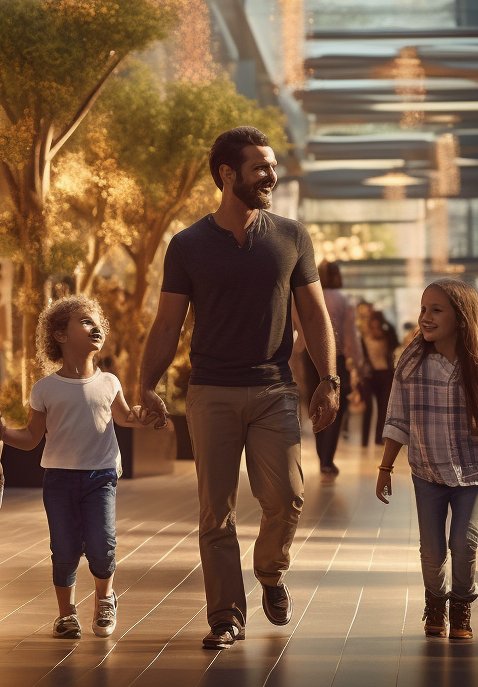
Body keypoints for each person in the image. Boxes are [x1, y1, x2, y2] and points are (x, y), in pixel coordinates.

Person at [137, 126, 339, 651]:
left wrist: (330, 379)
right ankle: (226, 615)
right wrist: (146, 384)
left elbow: (314, 315)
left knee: (288, 498)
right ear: (227, 174)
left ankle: (270, 572)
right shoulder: (187, 245)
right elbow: (166, 325)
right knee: (216, 512)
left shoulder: (292, 236)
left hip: (274, 388)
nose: (271, 175)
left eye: (272, 166)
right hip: (211, 392)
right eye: (260, 167)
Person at [0, 296, 166, 639]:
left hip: (100, 476)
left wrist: (144, 416)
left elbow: (123, 417)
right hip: (58, 479)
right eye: (86, 322)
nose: (96, 327)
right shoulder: (44, 388)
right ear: (59, 334)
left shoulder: (109, 383)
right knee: (64, 548)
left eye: (98, 323)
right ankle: (65, 614)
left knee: (102, 544)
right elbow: (31, 437)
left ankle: (105, 599)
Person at [375, 279, 478, 642]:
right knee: (431, 549)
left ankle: (461, 603)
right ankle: (435, 601)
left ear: (461, 319)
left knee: (464, 542)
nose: (425, 317)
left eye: (436, 310)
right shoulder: (411, 365)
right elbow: (397, 420)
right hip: (426, 471)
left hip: (471, 470)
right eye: (423, 309)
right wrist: (385, 467)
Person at [318, 261, 366, 473]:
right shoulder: (344, 300)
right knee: (334, 408)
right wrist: (358, 363)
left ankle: (322, 456)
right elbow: (350, 336)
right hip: (335, 358)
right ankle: (327, 460)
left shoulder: (311, 296)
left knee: (316, 406)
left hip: (310, 357)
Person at [359, 307, 398, 446]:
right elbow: (361, 357)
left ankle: (379, 439)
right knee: (368, 407)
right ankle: (364, 441)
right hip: (369, 375)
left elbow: (396, 345)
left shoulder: (388, 334)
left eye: (377, 320)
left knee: (383, 408)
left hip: (386, 373)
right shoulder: (364, 336)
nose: (375, 323)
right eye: (373, 320)